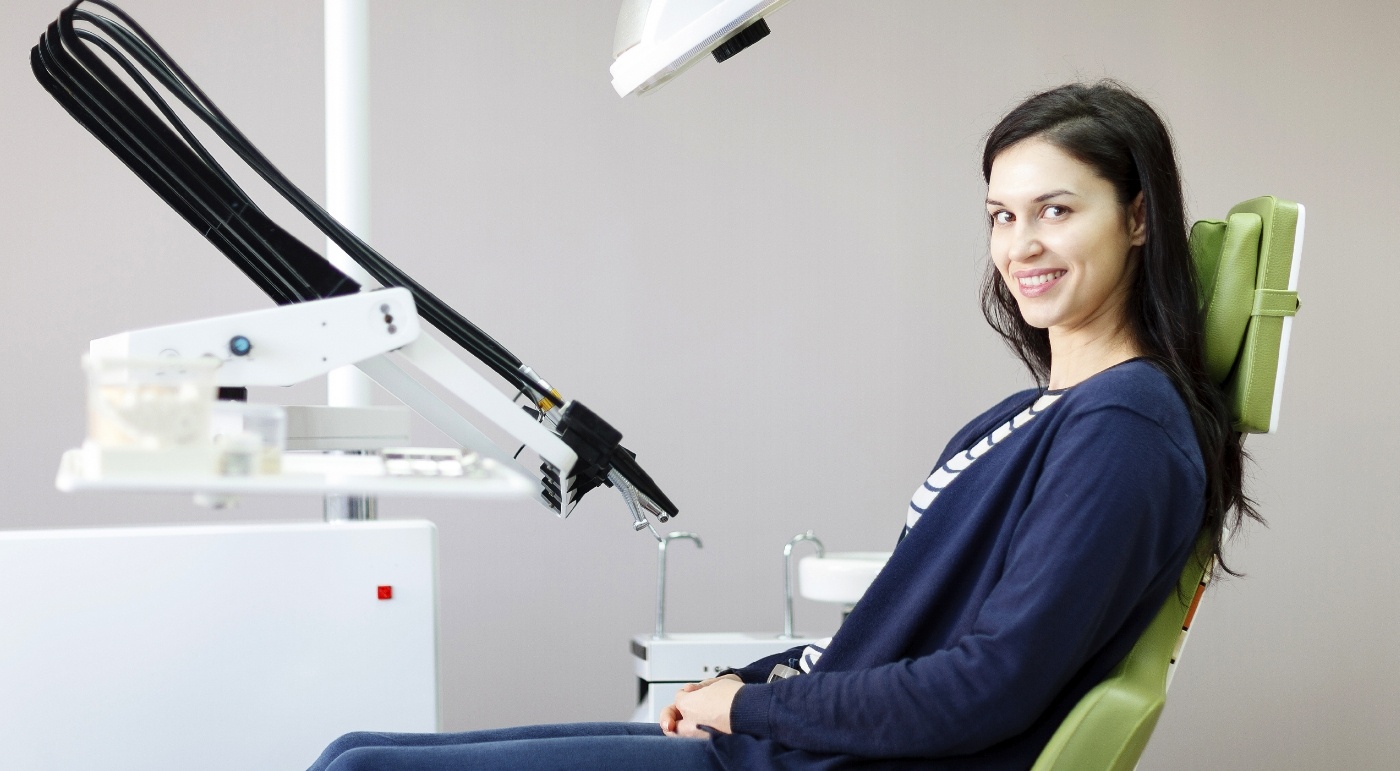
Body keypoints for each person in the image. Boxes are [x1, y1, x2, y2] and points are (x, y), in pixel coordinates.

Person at [306, 80, 1257, 771]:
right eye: (1002, 215)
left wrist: (755, 704)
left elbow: (986, 684)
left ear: (1137, 218)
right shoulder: (1032, 414)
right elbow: (901, 637)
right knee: (355, 749)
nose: (1022, 246)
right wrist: (744, 685)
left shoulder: (1123, 430)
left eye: (1057, 210)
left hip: (827, 766)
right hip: (793, 745)